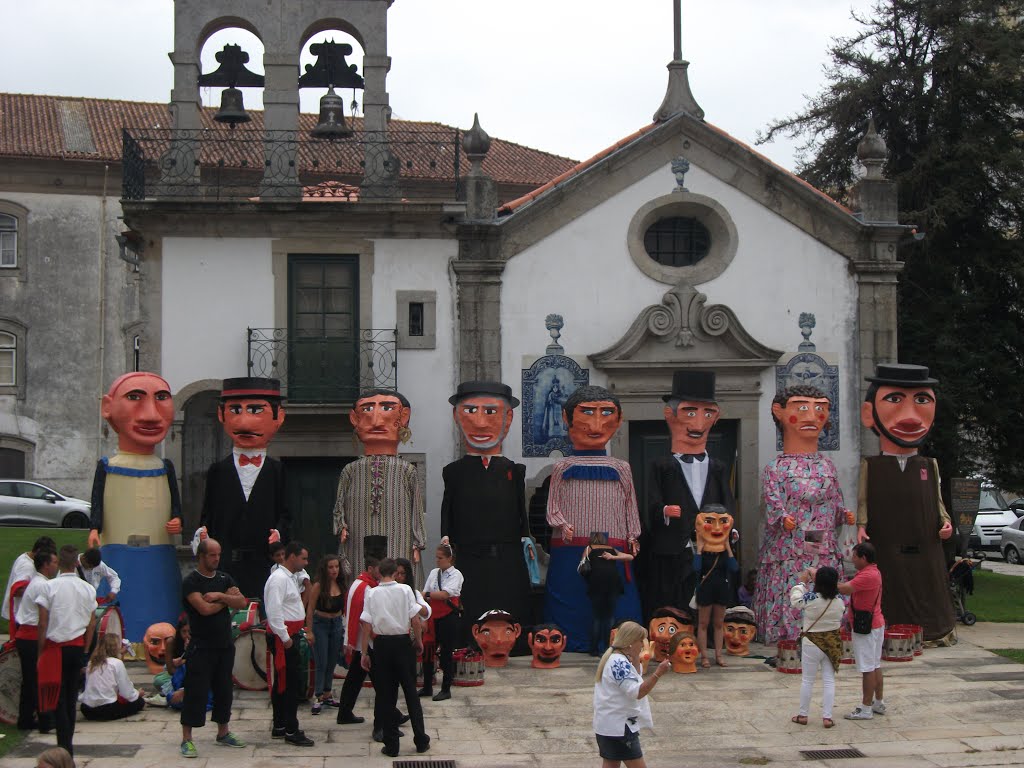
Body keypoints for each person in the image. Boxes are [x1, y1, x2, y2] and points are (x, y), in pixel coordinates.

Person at [857, 363, 954, 643]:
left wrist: (945, 521)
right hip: (885, 540)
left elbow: (937, 500)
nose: (910, 416)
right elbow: (863, 498)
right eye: (894, 399)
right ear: (869, 414)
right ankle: (884, 629)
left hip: (924, 538)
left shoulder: (929, 465)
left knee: (927, 584)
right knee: (887, 586)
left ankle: (934, 632)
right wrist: (861, 524)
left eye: (922, 400)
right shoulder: (871, 466)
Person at [546, 386, 643, 652]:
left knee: (615, 598)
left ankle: (614, 640)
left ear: (619, 419)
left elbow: (629, 503)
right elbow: (552, 503)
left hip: (613, 542)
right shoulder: (562, 467)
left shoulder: (621, 468)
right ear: (567, 418)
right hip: (570, 544)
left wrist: (633, 534)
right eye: (587, 413)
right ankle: (568, 640)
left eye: (606, 413)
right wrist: (561, 524)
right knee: (571, 594)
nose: (597, 423)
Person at [755, 385, 853, 646]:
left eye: (819, 409)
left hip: (821, 541)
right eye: (802, 408)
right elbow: (773, 501)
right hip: (789, 545)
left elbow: (835, 499)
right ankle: (788, 632)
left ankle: (828, 629)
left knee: (822, 578)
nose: (812, 416)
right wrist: (782, 517)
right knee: (795, 580)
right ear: (780, 412)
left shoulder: (827, 465)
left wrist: (844, 514)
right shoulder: (776, 467)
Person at [88, 372, 182, 641]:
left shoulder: (164, 467)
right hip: (117, 548)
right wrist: (95, 527)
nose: (151, 415)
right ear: (108, 407)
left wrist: (177, 518)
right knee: (119, 595)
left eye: (161, 398)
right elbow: (97, 499)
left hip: (159, 551)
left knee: (159, 593)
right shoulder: (108, 466)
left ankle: (164, 641)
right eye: (134, 397)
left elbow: (174, 500)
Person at [441, 381, 533, 650]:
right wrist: (446, 536)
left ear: (508, 418)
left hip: (507, 552)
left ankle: (513, 642)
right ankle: (469, 641)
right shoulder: (454, 471)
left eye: (491, 412)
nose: (481, 423)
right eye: (470, 411)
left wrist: (525, 537)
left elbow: (520, 508)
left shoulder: (514, 470)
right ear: (457, 416)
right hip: (468, 553)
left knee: (509, 597)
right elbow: (448, 506)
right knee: (469, 599)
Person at [642, 370, 734, 620]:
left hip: (711, 546)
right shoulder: (660, 465)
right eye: (690, 412)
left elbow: (728, 500)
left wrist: (731, 529)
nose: (698, 423)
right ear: (669, 414)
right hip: (673, 546)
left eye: (708, 413)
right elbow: (651, 499)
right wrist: (663, 510)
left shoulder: (718, 467)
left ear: (716, 417)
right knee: (672, 591)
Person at [196, 377, 289, 607]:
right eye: (236, 410)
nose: (245, 422)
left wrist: (279, 533)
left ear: (279, 417)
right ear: (222, 415)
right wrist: (203, 536)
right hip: (226, 565)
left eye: (256, 410)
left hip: (264, 565)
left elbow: (287, 513)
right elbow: (207, 514)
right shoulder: (218, 470)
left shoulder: (278, 470)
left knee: (265, 615)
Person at [334, 389, 426, 581]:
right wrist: (341, 525)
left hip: (399, 538)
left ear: (404, 417)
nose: (376, 420)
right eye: (367, 409)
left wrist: (418, 542)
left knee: (397, 570)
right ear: (355, 418)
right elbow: (339, 503)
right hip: (358, 536)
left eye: (386, 408)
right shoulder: (350, 470)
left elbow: (416, 508)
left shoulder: (407, 470)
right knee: (360, 573)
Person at [179, 537, 249, 758]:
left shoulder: (224, 578)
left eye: (219, 554)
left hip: (224, 644)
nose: (217, 558)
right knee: (195, 691)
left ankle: (223, 732)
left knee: (224, 690)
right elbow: (204, 609)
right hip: (202, 645)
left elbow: (242, 602)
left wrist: (220, 596)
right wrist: (228, 599)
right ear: (201, 556)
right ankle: (187, 738)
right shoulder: (191, 581)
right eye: (212, 555)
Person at [360, 558, 430, 757]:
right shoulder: (405, 590)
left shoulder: (371, 593)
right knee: (410, 693)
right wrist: (418, 641)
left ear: (380, 573)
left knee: (386, 696)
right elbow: (415, 619)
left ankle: (391, 745)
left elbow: (366, 625)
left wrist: (364, 652)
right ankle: (420, 739)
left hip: (382, 645)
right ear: (394, 573)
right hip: (402, 643)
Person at [35, 545, 97, 757]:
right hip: (76, 646)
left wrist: (41, 650)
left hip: (55, 647)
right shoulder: (87, 589)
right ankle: (66, 744)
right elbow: (91, 623)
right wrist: (86, 649)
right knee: (70, 699)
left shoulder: (49, 587)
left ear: (59, 563)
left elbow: (43, 623)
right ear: (77, 563)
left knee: (59, 700)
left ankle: (64, 746)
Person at [592, 620, 671, 768]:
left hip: (607, 726)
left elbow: (636, 676)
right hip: (620, 728)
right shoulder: (619, 663)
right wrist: (658, 674)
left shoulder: (614, 658)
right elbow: (637, 691)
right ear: (630, 642)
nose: (642, 645)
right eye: (640, 641)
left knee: (611, 763)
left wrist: (635, 656)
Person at [265, 541, 315, 747]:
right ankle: (291, 728)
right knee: (290, 683)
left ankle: (280, 724)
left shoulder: (289, 578)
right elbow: (274, 611)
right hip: (284, 637)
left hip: (290, 634)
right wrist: (285, 639)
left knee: (284, 683)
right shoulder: (278, 579)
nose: (306, 562)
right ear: (292, 556)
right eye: (303, 558)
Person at [789, 566, 845, 729]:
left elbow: (795, 600)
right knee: (829, 680)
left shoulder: (810, 598)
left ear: (818, 582)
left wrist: (802, 582)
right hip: (831, 644)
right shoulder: (839, 600)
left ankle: (803, 715)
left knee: (807, 680)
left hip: (811, 643)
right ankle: (827, 717)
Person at [839, 542, 886, 720]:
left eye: (855, 556)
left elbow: (845, 588)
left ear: (864, 558)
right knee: (875, 665)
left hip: (866, 627)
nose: (852, 559)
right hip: (875, 623)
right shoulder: (873, 572)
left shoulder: (868, 575)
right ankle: (878, 702)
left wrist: (824, 580)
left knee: (867, 668)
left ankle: (866, 708)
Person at [14, 548, 58, 732]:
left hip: (26, 636)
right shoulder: (43, 585)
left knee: (30, 681)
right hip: (32, 637)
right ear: (46, 565)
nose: (57, 565)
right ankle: (44, 720)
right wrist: (43, 647)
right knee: (39, 679)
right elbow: (43, 619)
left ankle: (26, 720)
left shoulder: (37, 582)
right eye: (54, 562)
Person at [692, 504, 739, 668]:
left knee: (719, 623)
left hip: (721, 588)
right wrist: (698, 549)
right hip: (706, 588)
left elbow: (734, 568)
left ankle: (719, 655)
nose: (717, 527)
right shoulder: (703, 550)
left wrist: (727, 546)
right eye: (710, 522)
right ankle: (704, 656)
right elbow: (696, 568)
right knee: (703, 623)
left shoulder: (724, 551)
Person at [419, 543, 463, 699]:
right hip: (432, 615)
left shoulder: (456, 575)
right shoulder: (434, 572)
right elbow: (424, 593)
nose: (437, 561)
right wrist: (424, 616)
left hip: (447, 616)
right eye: (436, 557)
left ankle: (446, 688)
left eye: (440, 558)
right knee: (428, 651)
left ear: (449, 558)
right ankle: (427, 687)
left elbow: (445, 595)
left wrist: (428, 595)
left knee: (446, 653)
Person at [305, 554, 346, 715]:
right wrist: (309, 630)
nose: (334, 570)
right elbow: (310, 609)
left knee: (332, 660)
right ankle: (318, 695)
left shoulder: (341, 585)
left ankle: (327, 692)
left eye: (336, 567)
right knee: (321, 660)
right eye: (331, 567)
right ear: (325, 569)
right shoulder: (318, 586)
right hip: (320, 623)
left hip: (336, 623)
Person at [583, 532, 632, 656]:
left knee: (597, 617)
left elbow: (583, 564)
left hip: (596, 584)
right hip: (613, 584)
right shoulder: (611, 549)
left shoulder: (589, 548)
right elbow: (630, 557)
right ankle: (607, 648)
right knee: (609, 617)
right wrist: (612, 557)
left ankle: (594, 649)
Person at [79, 634, 145, 721]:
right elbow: (126, 692)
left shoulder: (91, 663)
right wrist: (137, 694)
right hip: (108, 709)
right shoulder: (116, 663)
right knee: (139, 702)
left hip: (87, 709)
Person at [3, 535, 55, 627]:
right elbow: (16, 591)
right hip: (20, 615)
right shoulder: (26, 567)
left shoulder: (26, 557)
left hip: (22, 614)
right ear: (38, 551)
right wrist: (40, 591)